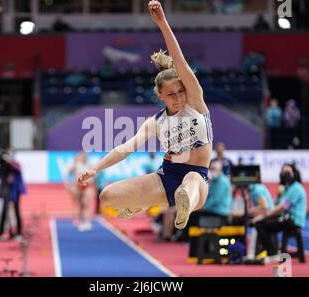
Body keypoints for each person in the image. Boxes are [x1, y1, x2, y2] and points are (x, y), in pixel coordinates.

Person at [78, 0, 212, 230]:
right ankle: (145, 202)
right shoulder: (156, 122)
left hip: (197, 181)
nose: (178, 97)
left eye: (181, 91)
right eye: (171, 94)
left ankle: (183, 208)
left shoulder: (196, 103)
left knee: (189, 181)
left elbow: (179, 61)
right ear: (160, 96)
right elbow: (125, 149)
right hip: (165, 177)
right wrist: (95, 169)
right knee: (107, 196)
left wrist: (162, 23)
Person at [251, 163, 307, 262]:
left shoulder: (296, 188)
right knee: (263, 223)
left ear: (294, 173)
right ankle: (271, 250)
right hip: (285, 216)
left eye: (288, 172)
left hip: (293, 219)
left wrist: (264, 216)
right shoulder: (286, 188)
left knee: (260, 223)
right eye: (284, 171)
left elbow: (282, 207)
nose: (286, 174)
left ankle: (272, 253)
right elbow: (278, 203)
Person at [0, 148, 26, 241]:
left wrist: (9, 161)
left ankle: (18, 232)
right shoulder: (3, 166)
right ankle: (1, 232)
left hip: (14, 190)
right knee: (4, 210)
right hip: (6, 189)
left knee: (16, 210)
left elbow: (17, 168)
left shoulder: (15, 164)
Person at [65, 152, 95, 232]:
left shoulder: (90, 165)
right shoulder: (76, 164)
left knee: (86, 204)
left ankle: (87, 222)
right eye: (82, 156)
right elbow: (66, 173)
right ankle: (79, 220)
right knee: (79, 204)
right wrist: (68, 184)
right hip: (78, 186)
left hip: (88, 186)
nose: (84, 157)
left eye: (85, 156)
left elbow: (95, 175)